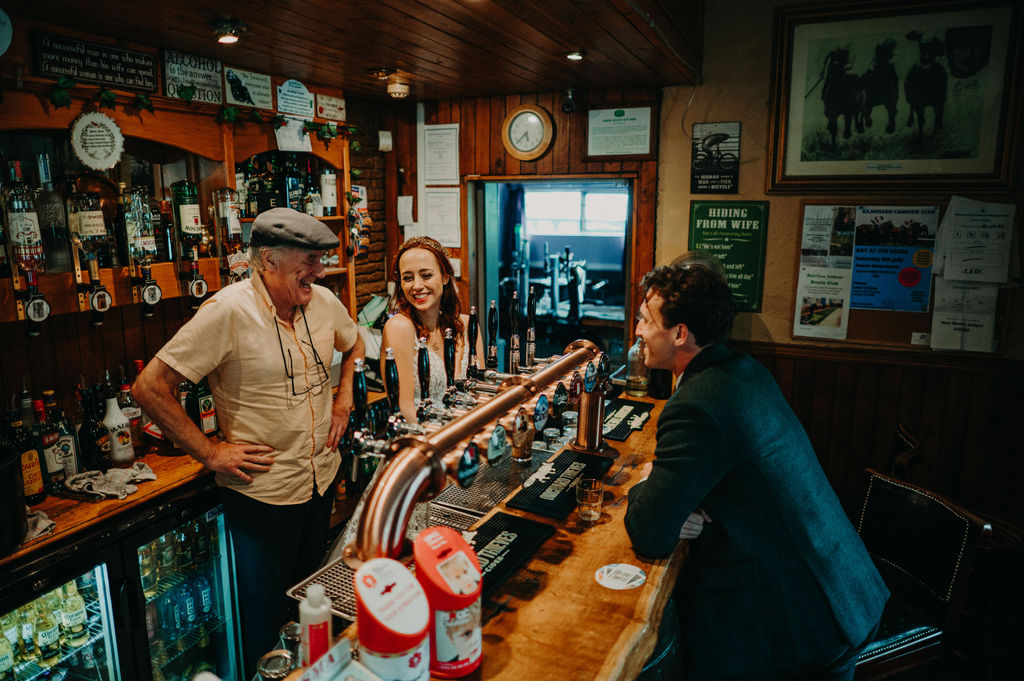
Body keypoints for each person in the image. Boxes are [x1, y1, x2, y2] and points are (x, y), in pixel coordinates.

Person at [624, 261, 888, 681]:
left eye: (644, 320)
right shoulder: (742, 369)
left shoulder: (698, 406)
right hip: (841, 586)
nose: (637, 331)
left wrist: (646, 483)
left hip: (802, 626)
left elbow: (650, 531)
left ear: (679, 333)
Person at [133, 207, 365, 676]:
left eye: (321, 260)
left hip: (319, 483)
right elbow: (149, 388)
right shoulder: (227, 312)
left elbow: (355, 345)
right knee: (266, 625)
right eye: (310, 260)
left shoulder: (322, 302)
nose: (320, 271)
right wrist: (210, 451)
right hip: (263, 499)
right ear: (268, 261)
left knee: (314, 611)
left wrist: (343, 402)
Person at [381, 236, 483, 422]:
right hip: (424, 441)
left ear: (445, 277)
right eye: (408, 278)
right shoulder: (399, 328)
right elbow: (404, 409)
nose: (417, 286)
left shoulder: (468, 325)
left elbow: (482, 394)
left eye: (426, 275)